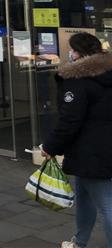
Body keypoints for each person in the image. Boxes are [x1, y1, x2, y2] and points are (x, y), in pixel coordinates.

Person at [41, 33, 112, 248]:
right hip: (101, 148)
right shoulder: (108, 73)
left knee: (107, 205)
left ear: (79, 53)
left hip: (91, 151)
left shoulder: (78, 81)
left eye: (72, 50)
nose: (69, 54)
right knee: (84, 196)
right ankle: (80, 241)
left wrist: (50, 146)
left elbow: (70, 120)